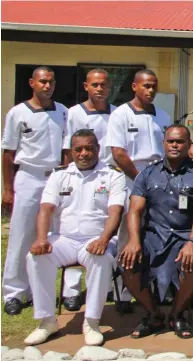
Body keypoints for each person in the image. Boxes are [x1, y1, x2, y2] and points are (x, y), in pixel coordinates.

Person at [24, 130, 126, 346]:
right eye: (78, 149)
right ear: (70, 152)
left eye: (89, 148)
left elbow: (115, 212)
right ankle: (46, 321)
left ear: (98, 150)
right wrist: (41, 238)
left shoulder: (112, 175)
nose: (84, 153)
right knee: (36, 257)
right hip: (65, 238)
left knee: (100, 259)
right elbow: (46, 209)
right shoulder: (59, 175)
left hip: (97, 238)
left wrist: (104, 239)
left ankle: (91, 322)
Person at [117, 125, 193, 340]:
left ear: (189, 145)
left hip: (185, 235)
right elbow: (135, 210)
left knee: (191, 263)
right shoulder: (148, 173)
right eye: (171, 141)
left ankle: (177, 314)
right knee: (127, 262)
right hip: (154, 235)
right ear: (164, 143)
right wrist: (134, 241)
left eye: (180, 142)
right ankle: (153, 314)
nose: (175, 145)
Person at [2, 66, 67, 315]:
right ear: (32, 83)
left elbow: (66, 149)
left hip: (56, 178)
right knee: (21, 236)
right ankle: (15, 293)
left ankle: (45, 290)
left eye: (51, 82)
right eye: (42, 81)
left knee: (55, 234)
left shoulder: (61, 111)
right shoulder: (18, 113)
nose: (47, 86)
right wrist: (8, 189)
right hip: (28, 176)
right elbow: (8, 154)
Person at [107, 69, 171, 312]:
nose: (150, 90)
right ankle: (123, 292)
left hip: (160, 180)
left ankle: (158, 288)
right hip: (130, 178)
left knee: (155, 235)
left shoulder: (162, 116)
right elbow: (119, 154)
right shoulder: (120, 114)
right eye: (145, 85)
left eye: (154, 86)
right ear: (134, 86)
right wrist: (142, 179)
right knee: (128, 236)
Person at [59, 68, 121, 312]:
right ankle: (71, 291)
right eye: (95, 84)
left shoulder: (117, 113)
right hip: (79, 175)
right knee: (73, 228)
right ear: (86, 86)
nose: (99, 88)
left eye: (104, 85)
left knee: (105, 227)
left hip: (107, 175)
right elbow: (68, 148)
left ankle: (104, 286)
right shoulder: (74, 113)